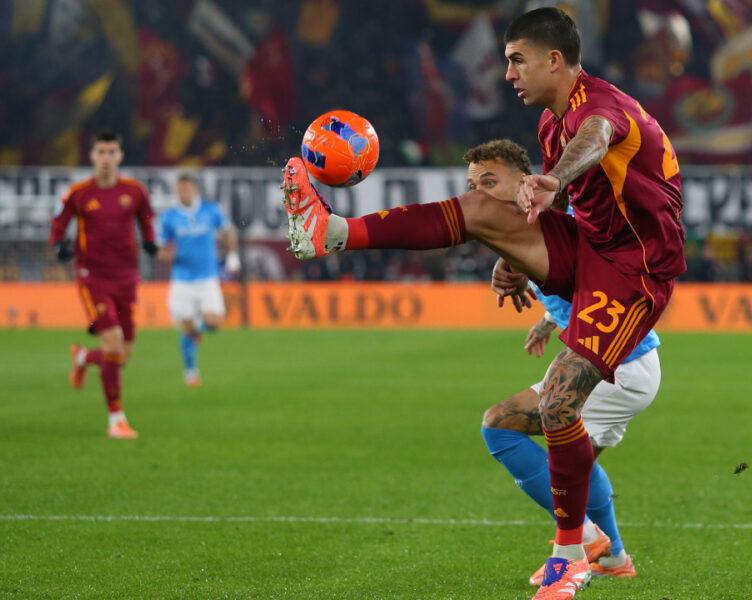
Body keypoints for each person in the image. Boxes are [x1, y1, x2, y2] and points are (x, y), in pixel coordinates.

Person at [280, 8, 684, 598]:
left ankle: (571, 556)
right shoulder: (550, 123)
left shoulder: (600, 107)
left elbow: (595, 141)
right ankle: (332, 231)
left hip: (635, 269)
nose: (508, 74)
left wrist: (553, 179)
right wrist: (517, 252)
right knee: (480, 209)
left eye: (517, 60)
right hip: (592, 245)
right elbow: (566, 204)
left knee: (559, 405)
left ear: (554, 60)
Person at [464, 139, 661, 584]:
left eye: (490, 182)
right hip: (631, 362)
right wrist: (548, 319)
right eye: (473, 186)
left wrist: (514, 265)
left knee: (499, 426)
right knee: (579, 466)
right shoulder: (527, 229)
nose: (479, 193)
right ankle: (613, 557)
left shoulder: (562, 220)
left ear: (524, 181)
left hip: (617, 366)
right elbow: (575, 280)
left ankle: (583, 538)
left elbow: (597, 268)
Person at [51, 130, 157, 439]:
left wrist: (149, 240)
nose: (106, 158)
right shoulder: (78, 193)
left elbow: (146, 220)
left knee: (122, 356)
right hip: (93, 277)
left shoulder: (135, 191)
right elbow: (58, 225)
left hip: (127, 278)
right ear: (92, 156)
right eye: (101, 152)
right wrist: (59, 245)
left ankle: (83, 357)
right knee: (112, 345)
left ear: (120, 156)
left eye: (111, 152)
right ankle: (116, 420)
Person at [156, 173, 240, 386]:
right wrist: (166, 255)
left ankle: (196, 332)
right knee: (186, 326)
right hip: (182, 280)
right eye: (179, 189)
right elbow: (160, 248)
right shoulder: (169, 217)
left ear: (195, 189)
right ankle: (191, 372)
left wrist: (232, 255)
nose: (182, 192)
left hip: (207, 278)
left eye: (185, 188)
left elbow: (228, 232)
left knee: (214, 323)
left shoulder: (210, 210)